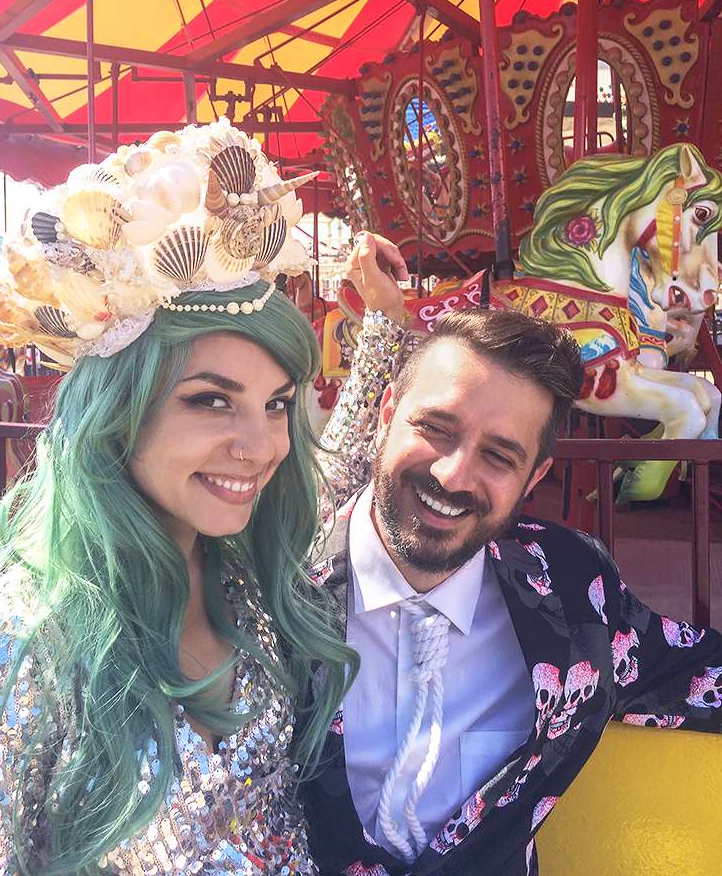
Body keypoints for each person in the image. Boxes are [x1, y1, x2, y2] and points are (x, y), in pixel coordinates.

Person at [0, 121, 368, 876]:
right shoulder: (12, 641)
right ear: (117, 412)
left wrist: (385, 329)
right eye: (212, 401)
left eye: (277, 404)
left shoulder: (253, 589)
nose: (260, 446)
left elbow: (341, 472)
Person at [302, 233, 722, 876]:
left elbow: (695, 669)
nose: (452, 474)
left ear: (534, 478)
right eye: (435, 428)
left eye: (499, 456)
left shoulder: (572, 593)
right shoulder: (273, 586)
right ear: (386, 414)